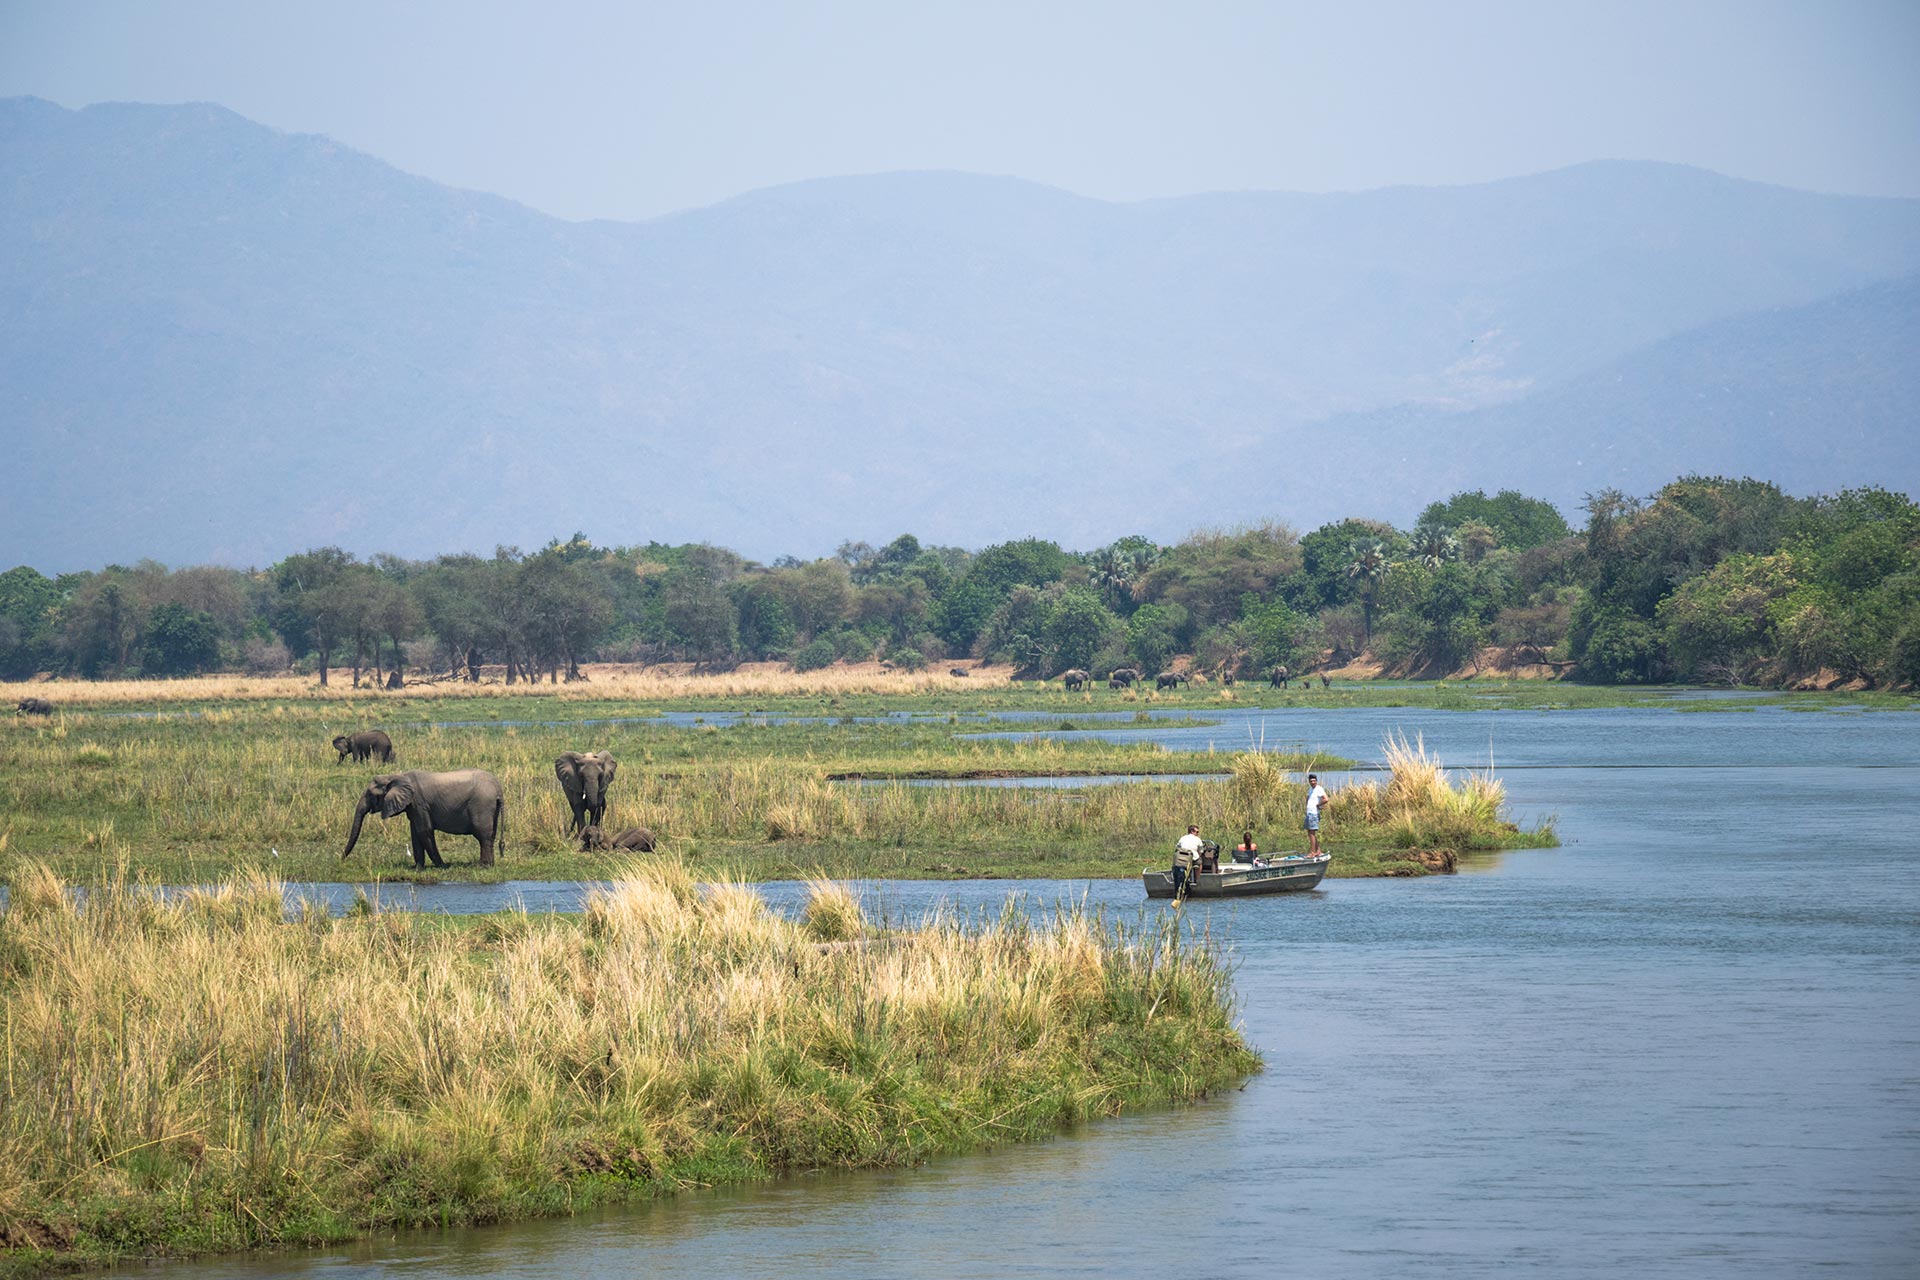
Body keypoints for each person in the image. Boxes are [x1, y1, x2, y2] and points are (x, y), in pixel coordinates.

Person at [1173, 825, 1204, 898]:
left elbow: (1177, 847)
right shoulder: (1198, 839)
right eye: (1197, 832)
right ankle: (1197, 880)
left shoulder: (1182, 838)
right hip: (1191, 857)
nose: (1197, 833)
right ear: (1192, 831)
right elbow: (1201, 851)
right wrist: (1199, 855)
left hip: (1181, 858)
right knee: (1200, 864)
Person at [1304, 773, 1330, 857]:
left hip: (1314, 814)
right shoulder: (1310, 789)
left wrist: (1318, 805)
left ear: (1316, 781)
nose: (1312, 782)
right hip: (1309, 813)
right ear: (1309, 781)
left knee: (1312, 833)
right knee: (1310, 833)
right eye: (1311, 781)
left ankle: (1312, 852)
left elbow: (1326, 799)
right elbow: (1308, 798)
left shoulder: (1319, 789)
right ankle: (1318, 850)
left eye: (1314, 781)